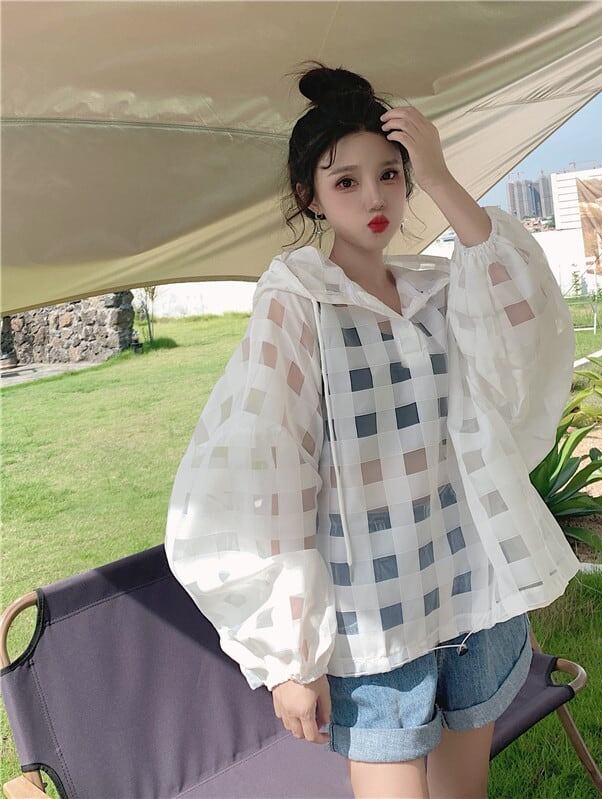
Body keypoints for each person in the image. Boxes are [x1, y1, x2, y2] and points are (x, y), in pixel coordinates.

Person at [164, 60, 580, 799]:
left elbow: (526, 318)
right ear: (311, 196)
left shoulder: (437, 292)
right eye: (346, 181)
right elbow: (266, 471)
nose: (374, 197)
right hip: (373, 622)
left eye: (390, 174)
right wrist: (291, 656)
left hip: (470, 596)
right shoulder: (298, 303)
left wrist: (441, 176)